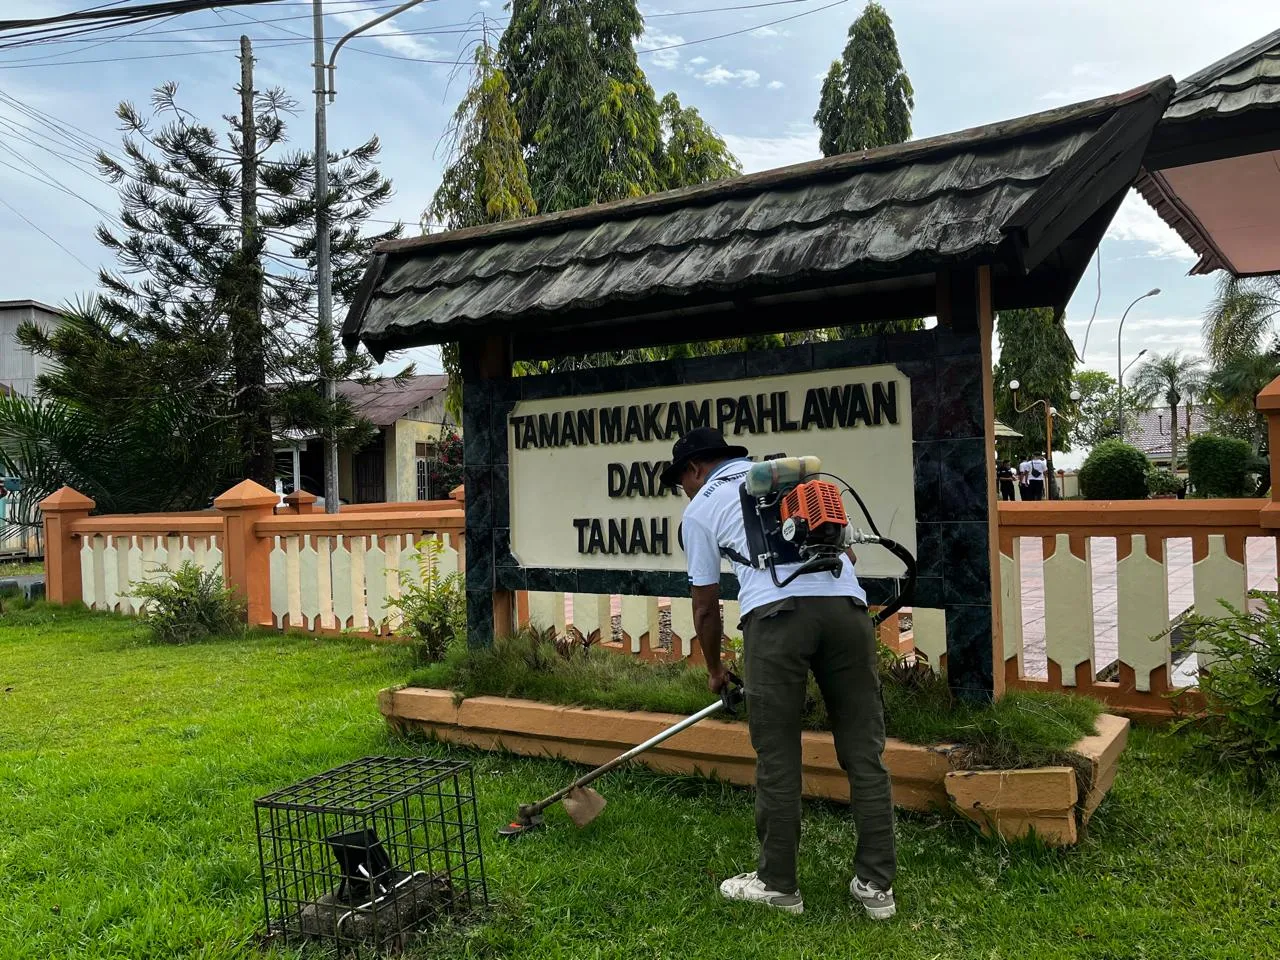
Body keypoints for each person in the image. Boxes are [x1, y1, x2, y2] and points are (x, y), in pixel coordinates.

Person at [660, 427, 896, 920]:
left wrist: (714, 670)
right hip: (847, 614)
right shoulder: (792, 480)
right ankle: (877, 886)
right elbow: (847, 553)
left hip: (776, 619)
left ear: (695, 469)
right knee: (864, 750)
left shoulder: (700, 509)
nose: (683, 491)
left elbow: (704, 606)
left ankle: (778, 885)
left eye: (681, 481)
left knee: (779, 755)